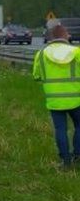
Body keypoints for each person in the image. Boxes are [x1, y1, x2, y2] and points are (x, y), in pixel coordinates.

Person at [33, 24, 80, 168]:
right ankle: (77, 156)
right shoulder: (77, 51)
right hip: (77, 98)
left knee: (60, 129)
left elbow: (36, 76)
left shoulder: (41, 54)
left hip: (55, 100)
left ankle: (65, 161)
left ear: (51, 37)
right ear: (66, 35)